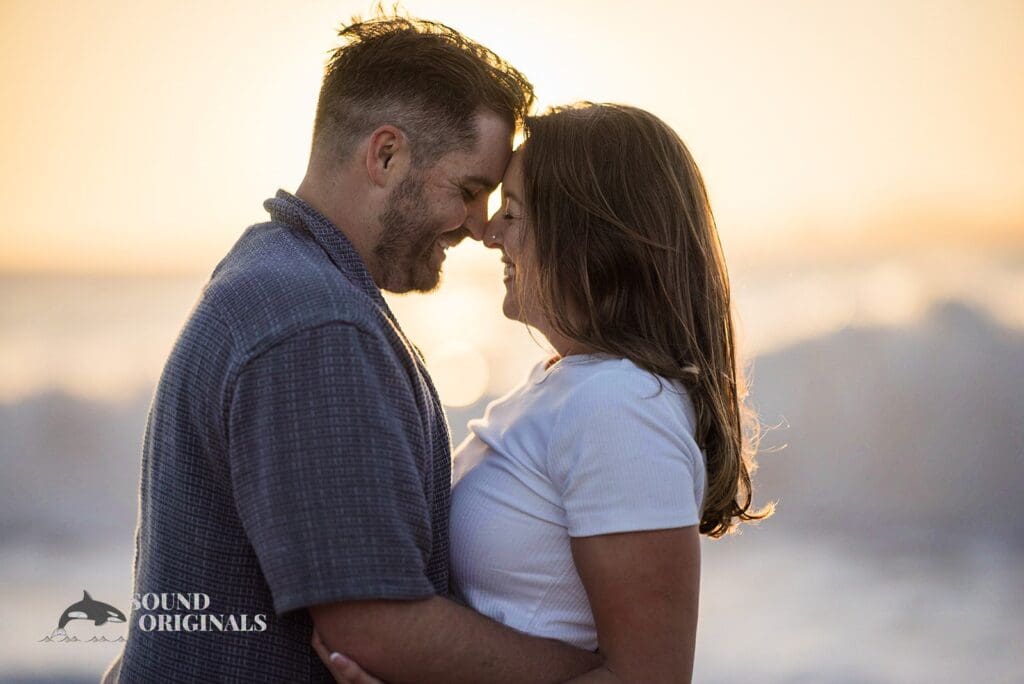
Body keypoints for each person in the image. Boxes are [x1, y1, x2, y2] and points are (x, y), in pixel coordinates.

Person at [104, 13, 606, 683]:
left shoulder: (271, 272)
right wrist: (594, 671)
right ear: (386, 155)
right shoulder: (316, 326)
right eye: (469, 190)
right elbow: (374, 626)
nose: (483, 228)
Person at [314, 103, 774, 683]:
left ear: (584, 232)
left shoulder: (620, 407)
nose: (489, 233)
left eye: (513, 211)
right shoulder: (568, 383)